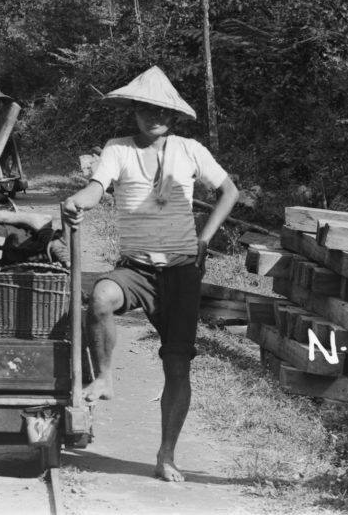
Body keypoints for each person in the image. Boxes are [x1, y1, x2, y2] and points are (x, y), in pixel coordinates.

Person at [60, 65, 238, 485]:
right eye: (145, 108)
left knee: (177, 366)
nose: (153, 116)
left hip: (180, 272)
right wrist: (77, 201)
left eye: (161, 110)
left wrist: (205, 239)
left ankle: (166, 453)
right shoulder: (117, 149)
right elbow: (97, 188)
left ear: (171, 116)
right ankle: (104, 377)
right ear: (134, 111)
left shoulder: (190, 149)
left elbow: (229, 191)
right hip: (135, 268)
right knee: (102, 297)